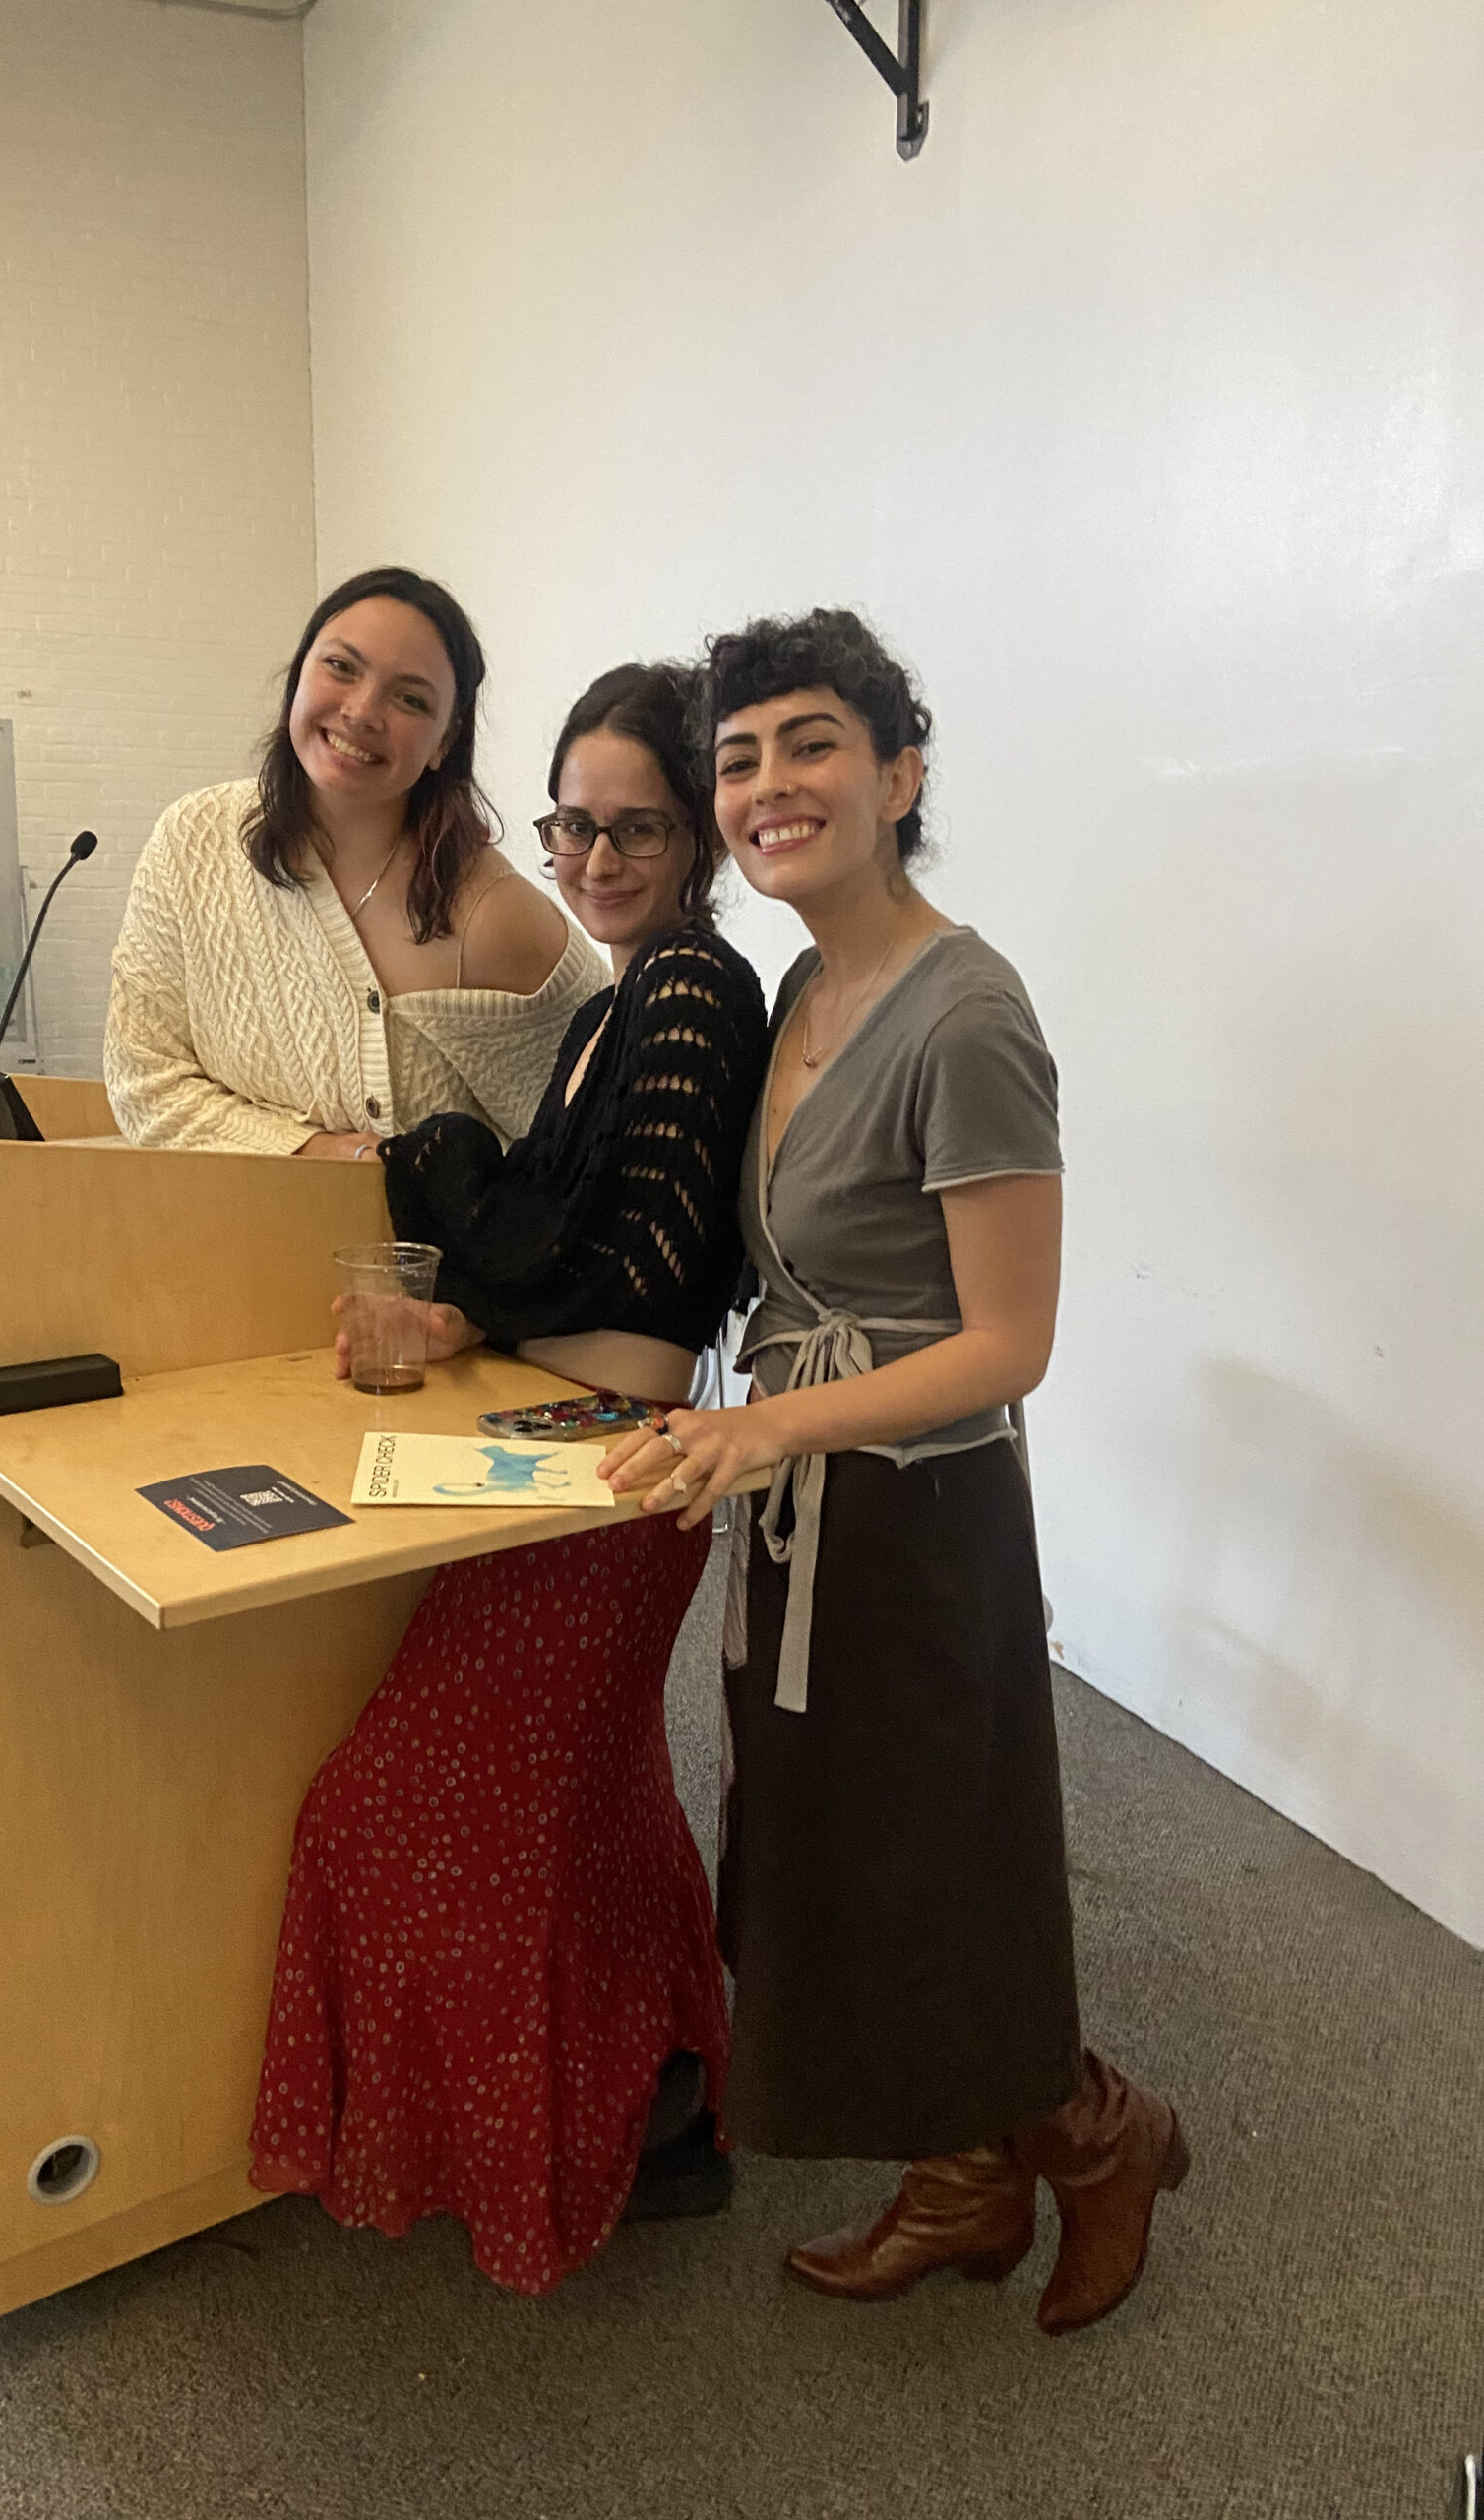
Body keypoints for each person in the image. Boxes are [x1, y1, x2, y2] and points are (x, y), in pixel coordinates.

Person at [604, 610, 1187, 2338]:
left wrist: (767, 1427)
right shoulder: (802, 986)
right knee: (836, 1853)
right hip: (800, 1503)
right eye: (737, 759)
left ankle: (1098, 2135)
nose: (767, 785)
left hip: (920, 1515)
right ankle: (961, 2176)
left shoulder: (969, 1014)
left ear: (898, 773)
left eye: (808, 744)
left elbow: (1010, 1342)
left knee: (938, 1859)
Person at [249, 663, 768, 2294]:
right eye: (572, 822)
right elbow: (563, 1244)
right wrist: (459, 1300)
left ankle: (566, 2134)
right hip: (560, 1453)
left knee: (388, 1808)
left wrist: (447, 1180)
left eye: (637, 825)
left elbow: (630, 1255)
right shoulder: (622, 1000)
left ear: (698, 838)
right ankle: (657, 2103)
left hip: (606, 1480)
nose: (594, 855)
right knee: (591, 1807)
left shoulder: (689, 992)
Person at [104, 566, 604, 1154]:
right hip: (221, 1236)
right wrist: (313, 1152)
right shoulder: (192, 843)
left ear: (445, 741)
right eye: (340, 667)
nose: (363, 712)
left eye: (410, 699)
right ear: (298, 675)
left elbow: (595, 1141)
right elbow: (145, 1084)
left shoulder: (497, 918)